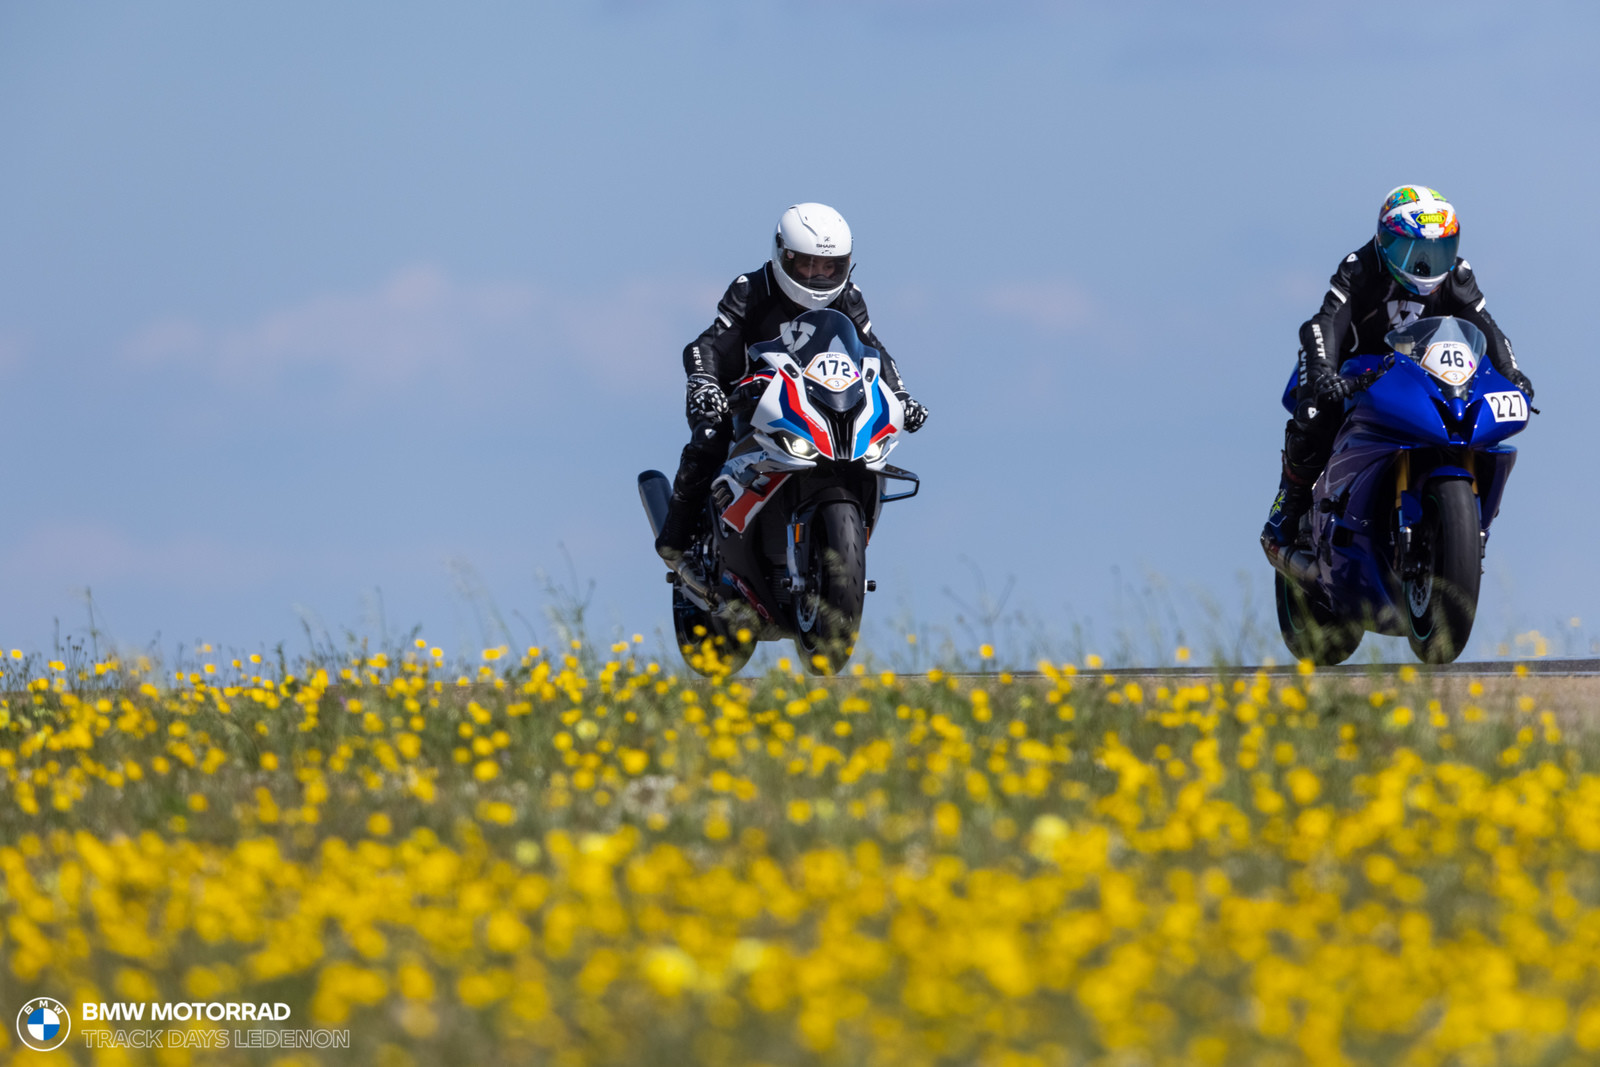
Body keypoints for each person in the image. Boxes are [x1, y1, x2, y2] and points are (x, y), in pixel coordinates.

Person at [1262, 185, 1534, 547]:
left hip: (1420, 372)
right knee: (1314, 413)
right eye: (1414, 251)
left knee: (1470, 416)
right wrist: (1325, 375)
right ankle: (1289, 506)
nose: (1427, 263)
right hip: (1354, 368)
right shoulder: (1360, 267)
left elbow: (1487, 326)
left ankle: (1468, 522)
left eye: (1439, 251)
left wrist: (1511, 372)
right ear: (1384, 241)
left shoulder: (1458, 275)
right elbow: (1324, 323)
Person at [655, 202, 929, 560]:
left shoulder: (849, 297)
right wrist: (703, 383)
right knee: (710, 437)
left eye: (830, 266)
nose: (818, 275)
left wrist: (902, 396)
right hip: (744, 398)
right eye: (807, 263)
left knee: (861, 449)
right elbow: (707, 344)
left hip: (812, 399)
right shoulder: (750, 289)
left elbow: (872, 349)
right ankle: (677, 540)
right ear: (782, 255)